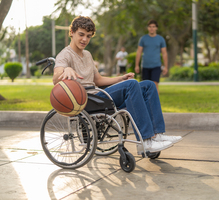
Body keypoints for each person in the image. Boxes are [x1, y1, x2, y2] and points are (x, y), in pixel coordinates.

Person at [52, 16, 182, 155]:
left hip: (98, 96)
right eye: (81, 34)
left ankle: (157, 134)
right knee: (132, 85)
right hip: (86, 101)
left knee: (149, 85)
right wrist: (65, 70)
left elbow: (99, 80)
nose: (85, 39)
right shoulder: (65, 54)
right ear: (71, 32)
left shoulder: (88, 55)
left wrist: (121, 78)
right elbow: (56, 77)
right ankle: (145, 141)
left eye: (88, 36)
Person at [135, 20, 168, 93]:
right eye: (150, 27)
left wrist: (166, 66)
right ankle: (146, 103)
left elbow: (164, 53)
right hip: (145, 66)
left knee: (155, 84)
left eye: (153, 27)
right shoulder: (143, 39)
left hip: (156, 65)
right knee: (145, 86)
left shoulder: (160, 39)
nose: (151, 28)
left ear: (156, 28)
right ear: (147, 28)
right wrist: (137, 65)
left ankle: (155, 104)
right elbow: (139, 52)